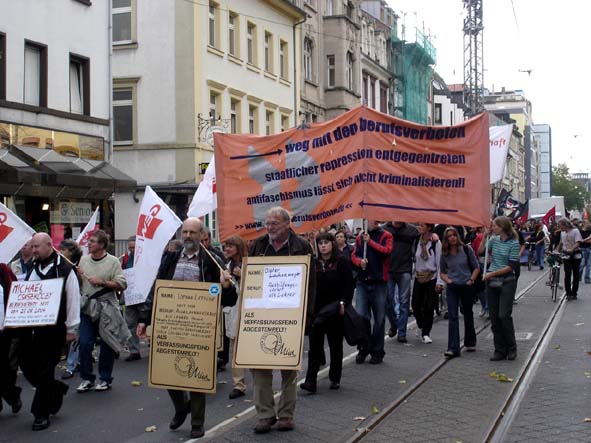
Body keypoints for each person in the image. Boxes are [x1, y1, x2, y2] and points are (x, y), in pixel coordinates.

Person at [137, 217, 237, 439]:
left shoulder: (213, 260)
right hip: (170, 323)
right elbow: (157, 289)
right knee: (167, 371)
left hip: (199, 325)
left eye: (193, 232)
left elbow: (229, 300)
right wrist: (145, 318)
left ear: (202, 235)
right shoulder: (171, 258)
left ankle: (197, 422)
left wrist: (226, 285)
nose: (188, 236)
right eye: (185, 232)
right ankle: (181, 407)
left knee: (197, 375)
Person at [249, 207, 316, 434]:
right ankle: (265, 415)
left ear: (288, 224)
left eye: (274, 224)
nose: (269, 228)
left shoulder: (302, 247)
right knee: (259, 366)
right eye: (267, 223)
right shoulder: (258, 246)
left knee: (289, 367)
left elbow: (311, 284)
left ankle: (286, 415)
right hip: (262, 314)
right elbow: (251, 280)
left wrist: (307, 315)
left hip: (291, 315)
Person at [18, 233, 80, 430]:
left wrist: (72, 328)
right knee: (27, 365)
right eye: (32, 247)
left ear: (48, 245)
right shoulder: (31, 268)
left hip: (54, 330)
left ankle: (40, 414)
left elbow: (73, 299)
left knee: (45, 370)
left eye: (37, 247)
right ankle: (56, 388)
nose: (34, 250)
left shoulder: (65, 269)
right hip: (31, 329)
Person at [300, 232, 354, 393]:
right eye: (320, 243)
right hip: (317, 311)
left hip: (335, 309)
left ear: (332, 244)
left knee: (335, 345)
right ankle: (311, 381)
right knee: (315, 347)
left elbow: (348, 285)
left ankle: (335, 377)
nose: (323, 246)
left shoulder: (341, 261)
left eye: (326, 242)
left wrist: (344, 302)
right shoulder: (314, 263)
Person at [76, 230, 129, 393]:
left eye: (92, 241)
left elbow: (122, 284)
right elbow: (79, 284)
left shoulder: (113, 261)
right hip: (87, 308)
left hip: (106, 308)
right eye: (89, 241)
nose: (88, 244)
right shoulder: (83, 260)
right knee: (84, 343)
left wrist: (103, 282)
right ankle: (87, 378)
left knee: (106, 344)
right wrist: (77, 276)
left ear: (101, 245)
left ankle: (105, 378)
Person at [351, 220, 393, 364]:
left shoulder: (386, 235)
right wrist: (359, 262)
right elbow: (354, 255)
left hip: (379, 281)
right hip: (363, 281)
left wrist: (371, 243)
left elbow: (387, 251)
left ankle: (378, 351)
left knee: (379, 319)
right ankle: (365, 346)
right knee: (361, 316)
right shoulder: (359, 237)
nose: (371, 222)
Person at [480, 216, 520, 361]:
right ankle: (499, 349)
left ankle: (511, 347)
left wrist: (492, 273)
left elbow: (511, 266)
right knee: (495, 317)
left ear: (502, 227)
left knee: (504, 315)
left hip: (506, 281)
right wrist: (485, 237)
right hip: (491, 282)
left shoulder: (514, 244)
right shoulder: (494, 240)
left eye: (494, 226)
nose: (493, 228)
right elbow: (481, 252)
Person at [440, 227, 480, 359]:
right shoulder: (444, 253)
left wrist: (471, 280)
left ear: (457, 236)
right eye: (449, 236)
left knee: (467, 313)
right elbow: (442, 272)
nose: (452, 238)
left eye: (454, 235)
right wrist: (448, 281)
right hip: (453, 287)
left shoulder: (467, 250)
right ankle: (453, 348)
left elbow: (476, 267)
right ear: (446, 239)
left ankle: (470, 341)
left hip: (466, 285)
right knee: (453, 316)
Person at [382, 221, 419, 342]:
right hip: (389, 269)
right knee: (388, 300)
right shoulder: (384, 229)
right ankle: (394, 324)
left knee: (404, 302)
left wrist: (432, 236)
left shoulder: (412, 230)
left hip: (405, 269)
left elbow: (423, 236)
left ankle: (401, 332)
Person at [221, 234, 248, 400]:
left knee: (249, 347)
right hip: (233, 311)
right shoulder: (226, 266)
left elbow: (255, 286)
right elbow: (226, 292)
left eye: (230, 246)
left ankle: (258, 379)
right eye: (225, 246)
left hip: (247, 311)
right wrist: (224, 283)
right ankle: (239, 384)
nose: (227, 249)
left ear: (238, 247)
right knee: (235, 347)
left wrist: (243, 275)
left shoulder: (248, 264)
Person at [412, 223, 443, 344]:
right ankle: (421, 324)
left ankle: (426, 332)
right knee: (415, 304)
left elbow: (440, 262)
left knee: (429, 306)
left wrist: (439, 282)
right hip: (419, 276)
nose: (419, 227)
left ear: (429, 228)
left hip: (432, 276)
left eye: (422, 225)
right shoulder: (416, 241)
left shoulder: (435, 243)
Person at [57, 239, 83, 380]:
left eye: (64, 250)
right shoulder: (60, 267)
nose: (61, 252)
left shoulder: (76, 268)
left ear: (71, 252)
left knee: (74, 335)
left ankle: (71, 365)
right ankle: (77, 360)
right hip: (64, 304)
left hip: (76, 304)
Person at [0, 263, 21, 415]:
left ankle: (12, 396)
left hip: (4, 329)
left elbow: (15, 293)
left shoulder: (3, 269)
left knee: (4, 369)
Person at [119, 235, 142, 362]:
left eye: (134, 248)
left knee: (147, 322)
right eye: (130, 248)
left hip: (143, 296)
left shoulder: (145, 259)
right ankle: (134, 350)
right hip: (130, 295)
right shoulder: (126, 258)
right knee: (130, 323)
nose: (132, 250)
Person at [557, 218, 582, 301]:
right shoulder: (562, 233)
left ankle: (574, 293)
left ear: (565, 225)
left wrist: (572, 248)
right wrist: (556, 250)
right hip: (566, 255)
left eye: (560, 226)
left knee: (575, 274)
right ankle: (568, 293)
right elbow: (561, 242)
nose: (559, 228)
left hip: (575, 255)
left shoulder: (575, 231)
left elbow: (578, 242)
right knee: (567, 274)